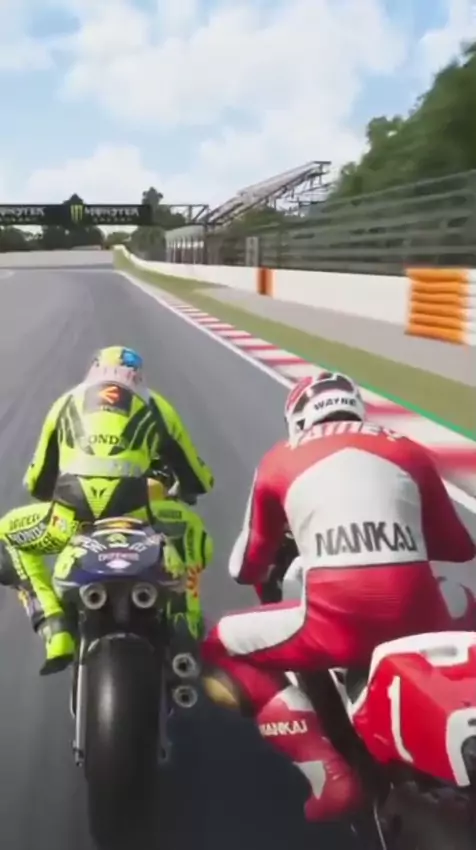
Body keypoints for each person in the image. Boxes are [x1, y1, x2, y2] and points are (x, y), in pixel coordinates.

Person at [201, 370, 476, 823]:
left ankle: (328, 770)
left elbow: (245, 566)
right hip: (420, 613)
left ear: (297, 418)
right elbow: (460, 547)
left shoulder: (280, 458)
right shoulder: (407, 448)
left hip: (334, 624)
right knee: (465, 597)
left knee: (219, 645)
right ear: (356, 408)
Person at [0, 346, 214, 675]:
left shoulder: (64, 402)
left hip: (69, 518)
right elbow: (197, 478)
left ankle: (53, 623)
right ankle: (186, 623)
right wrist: (181, 491)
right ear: (138, 375)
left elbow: (37, 482)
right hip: (138, 513)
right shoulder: (156, 405)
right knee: (193, 532)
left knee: (6, 534)